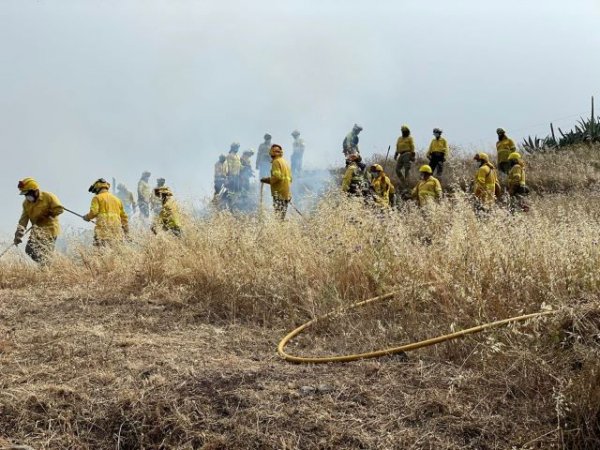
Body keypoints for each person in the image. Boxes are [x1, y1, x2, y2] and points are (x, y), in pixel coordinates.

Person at [14, 177, 64, 263]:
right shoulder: (26, 204)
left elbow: (59, 209)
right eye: (25, 194)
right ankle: (46, 265)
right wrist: (18, 233)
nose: (27, 196)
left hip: (50, 231)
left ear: (35, 191)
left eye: (28, 193)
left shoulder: (48, 197)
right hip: (36, 231)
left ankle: (47, 268)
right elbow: (23, 220)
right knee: (29, 250)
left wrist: (47, 213)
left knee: (45, 253)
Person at [84, 178, 129, 246]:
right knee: (115, 255)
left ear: (97, 188)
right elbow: (124, 218)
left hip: (102, 234)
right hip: (116, 234)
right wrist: (126, 232)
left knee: (100, 254)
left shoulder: (97, 198)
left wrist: (87, 217)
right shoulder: (117, 200)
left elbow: (94, 212)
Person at [260, 144, 293, 220]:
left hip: (279, 193)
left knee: (278, 217)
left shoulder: (276, 162)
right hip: (286, 194)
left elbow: (277, 177)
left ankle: (280, 230)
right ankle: (282, 230)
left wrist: (267, 180)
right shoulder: (285, 162)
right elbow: (290, 179)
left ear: (272, 153)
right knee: (282, 216)